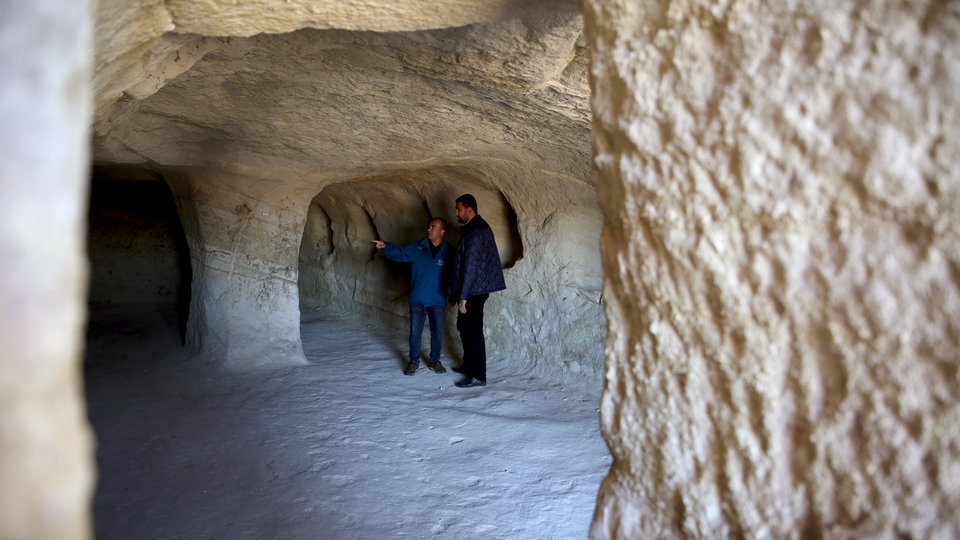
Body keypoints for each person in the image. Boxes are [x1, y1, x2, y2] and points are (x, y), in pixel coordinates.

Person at [373, 218, 452, 376]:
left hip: (437, 298)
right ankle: (413, 361)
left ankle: (435, 360)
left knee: (437, 332)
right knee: (415, 332)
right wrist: (386, 247)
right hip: (418, 297)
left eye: (433, 227)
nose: (429, 229)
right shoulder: (418, 246)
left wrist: (455, 296)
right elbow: (401, 254)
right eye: (429, 226)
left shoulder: (449, 251)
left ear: (442, 232)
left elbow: (454, 274)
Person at [446, 194, 506, 388]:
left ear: (469, 209)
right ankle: (469, 366)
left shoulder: (477, 231)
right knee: (464, 328)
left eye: (459, 209)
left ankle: (479, 376)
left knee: (473, 332)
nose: (456, 213)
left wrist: (462, 296)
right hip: (473, 289)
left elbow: (470, 266)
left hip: (474, 292)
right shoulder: (475, 228)